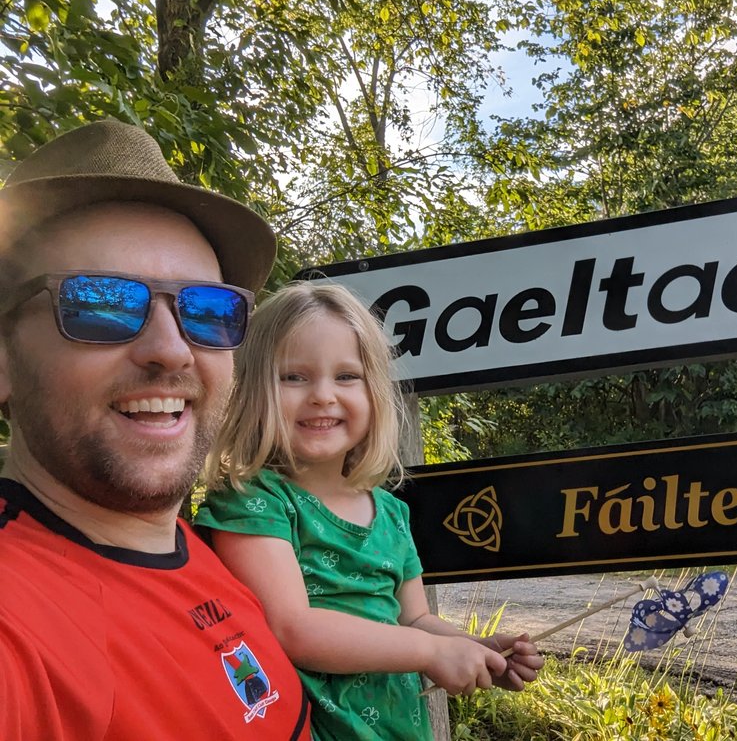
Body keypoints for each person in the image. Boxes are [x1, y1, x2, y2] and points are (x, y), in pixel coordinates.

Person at [0, 120, 311, 739]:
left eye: (208, 309)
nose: (172, 350)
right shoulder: (18, 633)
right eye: (100, 302)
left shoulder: (204, 554)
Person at [195, 282, 543, 740]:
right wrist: (428, 654)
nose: (323, 395)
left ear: (375, 393)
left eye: (346, 376)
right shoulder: (254, 501)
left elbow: (414, 619)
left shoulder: (392, 513)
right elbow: (293, 629)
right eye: (294, 376)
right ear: (254, 390)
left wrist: (475, 649)